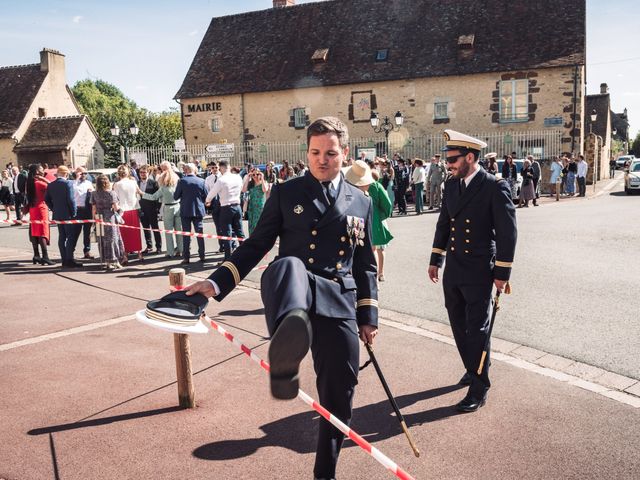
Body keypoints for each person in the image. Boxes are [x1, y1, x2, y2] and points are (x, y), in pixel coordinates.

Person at [185, 116, 378, 480]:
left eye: (330, 153)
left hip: (338, 299)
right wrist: (214, 284)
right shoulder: (287, 193)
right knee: (289, 263)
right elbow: (257, 244)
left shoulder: (361, 201)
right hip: (295, 290)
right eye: (315, 152)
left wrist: (368, 316)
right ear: (307, 152)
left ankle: (325, 473)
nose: (322, 159)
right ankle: (290, 337)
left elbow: (365, 264)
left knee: (340, 394)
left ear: (345, 154)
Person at [428, 129, 517, 413]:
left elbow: (507, 233)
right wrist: (435, 258)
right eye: (447, 159)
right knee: (457, 323)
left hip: (480, 269)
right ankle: (473, 363)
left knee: (477, 328)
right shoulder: (452, 186)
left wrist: (502, 273)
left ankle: (479, 386)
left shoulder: (494, 186)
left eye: (453, 159)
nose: (448, 164)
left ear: (470, 157)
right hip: (454, 266)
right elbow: (445, 223)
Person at [346, 160, 393, 282]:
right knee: (375, 250)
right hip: (374, 221)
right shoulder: (376, 186)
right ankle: (376, 277)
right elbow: (387, 206)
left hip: (353, 221)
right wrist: (380, 217)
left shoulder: (346, 186)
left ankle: (357, 279)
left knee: (355, 251)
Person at [140, 162, 183, 258]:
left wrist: (142, 193)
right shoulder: (177, 184)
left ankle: (170, 252)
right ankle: (181, 250)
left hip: (168, 208)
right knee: (179, 231)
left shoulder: (163, 188)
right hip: (178, 206)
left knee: (169, 232)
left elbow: (153, 197)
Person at [45, 165, 82, 268]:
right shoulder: (68, 184)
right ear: (66, 174)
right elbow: (71, 200)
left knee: (62, 236)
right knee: (70, 236)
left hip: (57, 214)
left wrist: (53, 208)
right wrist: (74, 212)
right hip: (68, 214)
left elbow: (47, 200)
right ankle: (69, 259)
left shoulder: (51, 185)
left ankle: (64, 259)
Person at [205, 160, 244, 259]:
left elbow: (212, 193)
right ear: (229, 167)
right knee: (240, 231)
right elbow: (242, 188)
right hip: (237, 206)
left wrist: (207, 200)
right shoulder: (238, 177)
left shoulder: (221, 180)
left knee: (227, 233)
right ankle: (245, 254)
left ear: (221, 168)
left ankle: (228, 257)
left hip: (226, 207)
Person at [174, 162, 207, 264]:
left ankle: (186, 257)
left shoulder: (182, 181)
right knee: (200, 233)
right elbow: (205, 195)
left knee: (186, 234)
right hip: (198, 209)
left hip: (186, 210)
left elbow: (175, 196)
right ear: (194, 170)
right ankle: (202, 255)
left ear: (186, 170)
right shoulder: (201, 181)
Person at [91, 175, 126, 270]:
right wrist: (121, 211)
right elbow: (116, 207)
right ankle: (115, 261)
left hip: (99, 218)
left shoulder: (94, 194)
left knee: (102, 240)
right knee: (112, 239)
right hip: (109, 218)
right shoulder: (111, 193)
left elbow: (93, 208)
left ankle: (105, 261)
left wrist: (94, 220)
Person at [113, 165, 143, 262]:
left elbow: (115, 198)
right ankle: (139, 253)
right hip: (133, 208)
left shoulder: (117, 184)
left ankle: (125, 255)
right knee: (136, 232)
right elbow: (139, 192)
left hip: (123, 210)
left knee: (124, 233)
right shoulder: (133, 182)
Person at [25, 164, 54, 265]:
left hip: (33, 209)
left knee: (35, 232)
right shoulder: (40, 183)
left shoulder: (30, 183)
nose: (43, 170)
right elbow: (52, 187)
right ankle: (45, 256)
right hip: (41, 209)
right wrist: (44, 179)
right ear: (37, 171)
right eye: (41, 169)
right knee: (42, 232)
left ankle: (36, 255)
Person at [138, 165, 162, 254]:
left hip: (152, 209)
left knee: (155, 228)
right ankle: (149, 246)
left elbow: (159, 197)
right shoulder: (137, 183)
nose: (142, 174)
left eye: (144, 172)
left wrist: (157, 208)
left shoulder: (154, 183)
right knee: (146, 229)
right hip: (142, 209)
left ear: (148, 173)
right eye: (141, 172)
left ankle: (158, 247)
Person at [73, 166, 95, 259]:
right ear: (77, 173)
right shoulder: (73, 183)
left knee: (87, 233)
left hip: (87, 210)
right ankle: (71, 251)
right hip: (77, 210)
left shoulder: (89, 183)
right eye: (82, 173)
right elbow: (72, 191)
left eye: (85, 173)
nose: (84, 175)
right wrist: (77, 179)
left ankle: (87, 251)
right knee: (75, 232)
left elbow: (93, 196)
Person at [204, 161, 224, 253]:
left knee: (226, 226)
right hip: (214, 204)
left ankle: (231, 245)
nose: (215, 169)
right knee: (218, 227)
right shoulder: (208, 179)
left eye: (216, 167)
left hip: (224, 203)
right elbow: (207, 191)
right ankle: (222, 246)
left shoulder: (223, 177)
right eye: (213, 168)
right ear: (210, 169)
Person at [243, 169, 270, 235]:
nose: (255, 176)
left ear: (260, 175)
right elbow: (243, 190)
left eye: (257, 174)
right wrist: (248, 178)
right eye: (253, 175)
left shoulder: (264, 182)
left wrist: (262, 178)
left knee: (259, 224)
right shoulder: (250, 184)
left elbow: (265, 190)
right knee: (252, 225)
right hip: (251, 207)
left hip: (260, 207)